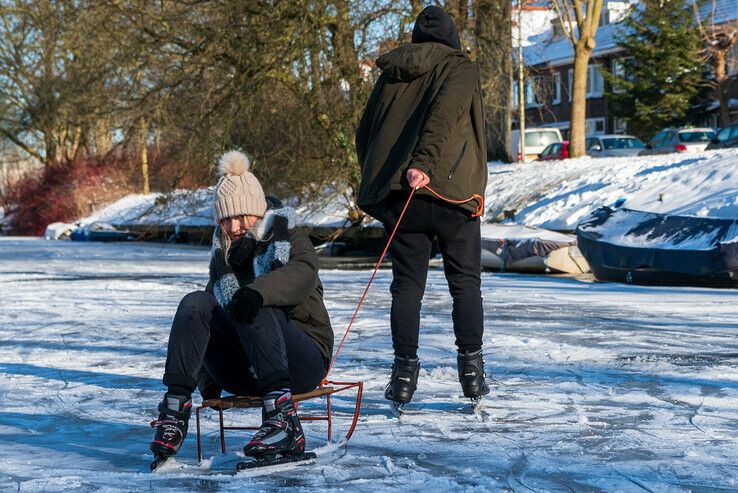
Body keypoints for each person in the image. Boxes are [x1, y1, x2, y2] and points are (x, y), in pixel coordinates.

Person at [149, 150, 333, 467]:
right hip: (245, 369)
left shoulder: (292, 239)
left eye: (241, 216)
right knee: (196, 302)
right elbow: (206, 326)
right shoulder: (223, 259)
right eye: (225, 219)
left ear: (258, 212)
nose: (234, 226)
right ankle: (174, 412)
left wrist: (257, 293)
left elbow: (301, 277)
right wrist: (209, 387)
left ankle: (283, 422)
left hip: (300, 361)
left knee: (253, 301)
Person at [355, 6, 489, 408]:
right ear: (451, 39)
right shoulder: (460, 67)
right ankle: (472, 376)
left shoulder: (393, 72)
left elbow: (366, 132)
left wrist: (381, 175)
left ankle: (402, 379)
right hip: (451, 193)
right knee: (465, 284)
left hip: (404, 197)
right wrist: (424, 165)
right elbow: (445, 116)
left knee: (406, 286)